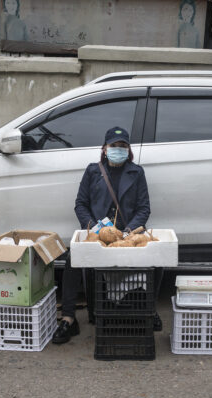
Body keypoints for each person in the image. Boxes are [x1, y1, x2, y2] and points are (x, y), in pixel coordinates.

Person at [52, 126, 155, 345]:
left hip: (128, 233)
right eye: (114, 146)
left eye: (122, 146)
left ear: (128, 150)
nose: (118, 149)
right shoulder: (92, 171)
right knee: (72, 259)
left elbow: (144, 209)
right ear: (104, 148)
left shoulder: (137, 173)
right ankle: (68, 318)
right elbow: (80, 204)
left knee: (155, 255)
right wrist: (94, 228)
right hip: (97, 233)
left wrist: (128, 232)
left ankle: (149, 309)